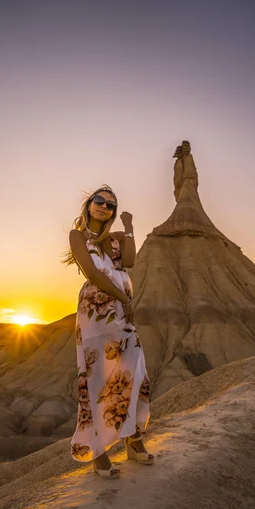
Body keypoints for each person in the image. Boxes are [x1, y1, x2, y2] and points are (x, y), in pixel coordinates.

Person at [63, 185, 154, 479]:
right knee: (98, 377)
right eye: (99, 201)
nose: (104, 207)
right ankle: (99, 452)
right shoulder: (78, 236)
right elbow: (92, 273)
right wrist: (125, 299)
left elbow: (129, 261)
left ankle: (133, 439)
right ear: (89, 204)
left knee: (132, 372)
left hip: (122, 313)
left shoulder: (114, 238)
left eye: (110, 205)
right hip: (96, 313)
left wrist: (128, 227)